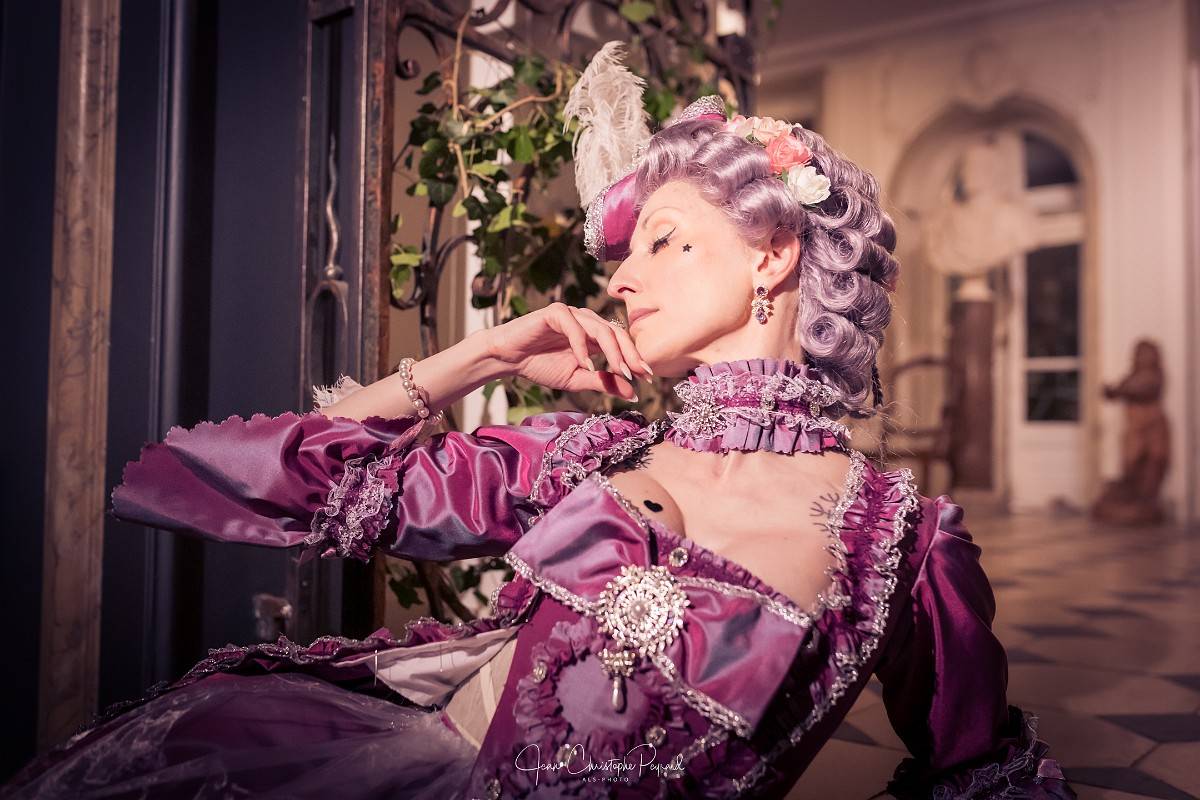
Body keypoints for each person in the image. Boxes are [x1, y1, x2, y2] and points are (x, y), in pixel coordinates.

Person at [3, 63, 1077, 800]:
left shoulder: (902, 542)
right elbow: (289, 483)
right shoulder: (584, 456)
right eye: (628, 253)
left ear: (773, 256)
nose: (622, 279)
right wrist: (481, 357)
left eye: (664, 241)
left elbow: (977, 771)